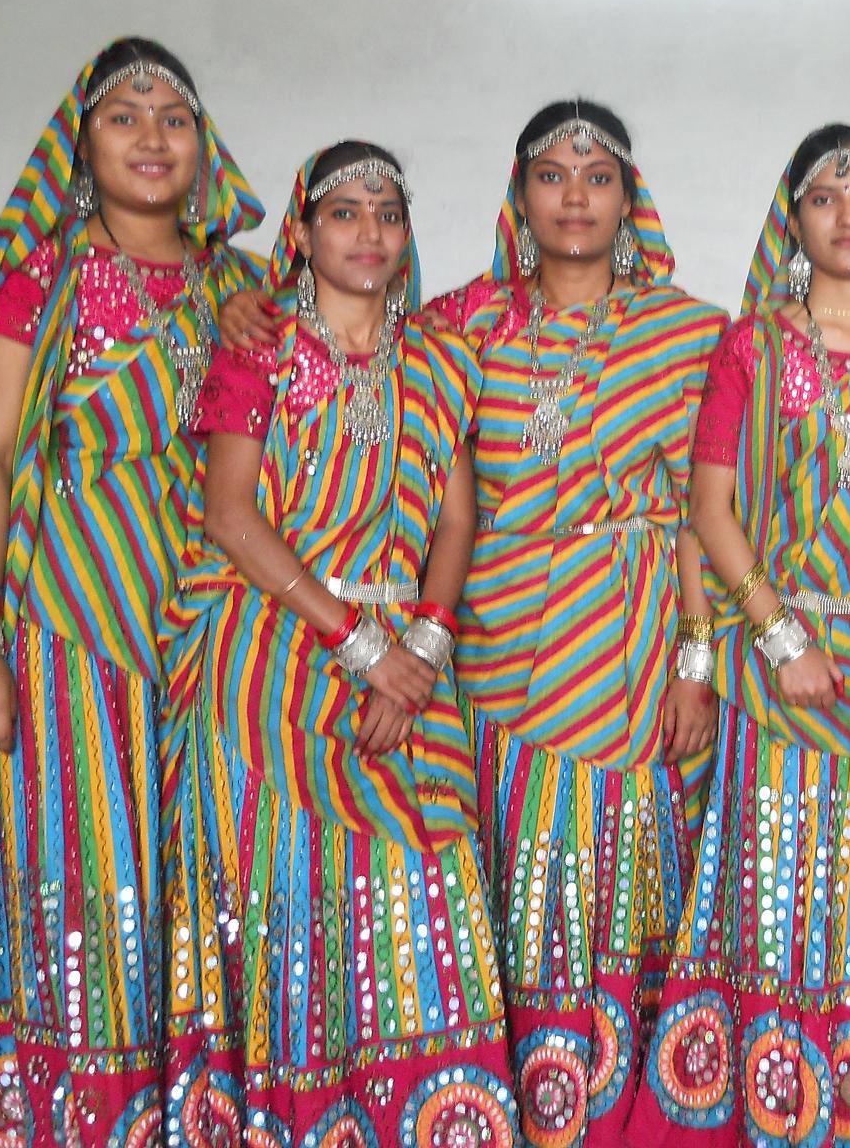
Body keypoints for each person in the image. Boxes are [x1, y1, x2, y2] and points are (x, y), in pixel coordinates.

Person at [0, 38, 264, 1144]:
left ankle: (194, 1116)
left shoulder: (237, 285)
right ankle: (83, 1118)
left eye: (174, 118)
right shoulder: (42, 277)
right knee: (86, 877)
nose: (152, 138)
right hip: (70, 625)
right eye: (123, 117)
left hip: (206, 622)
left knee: (206, 878)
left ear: (203, 146)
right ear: (80, 143)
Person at [162, 141, 516, 1142]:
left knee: (424, 910)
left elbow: (456, 521)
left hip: (408, 660)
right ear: (304, 230)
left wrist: (423, 655)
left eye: (388, 213)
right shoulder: (259, 347)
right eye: (345, 212)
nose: (370, 232)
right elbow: (231, 516)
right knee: (282, 905)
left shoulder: (442, 360)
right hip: (270, 667)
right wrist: (364, 651)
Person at [629, 125, 850, 1146]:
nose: (849, 214)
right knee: (771, 897)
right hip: (781, 670)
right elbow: (709, 508)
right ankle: (768, 1108)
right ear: (794, 220)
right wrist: (780, 638)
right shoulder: (755, 347)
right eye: (825, 196)